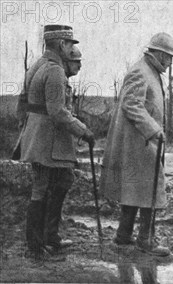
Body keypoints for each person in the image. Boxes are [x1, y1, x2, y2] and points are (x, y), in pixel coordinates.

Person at [13, 25, 94, 260]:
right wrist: (84, 131)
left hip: (42, 140)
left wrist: (26, 131)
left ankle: (50, 238)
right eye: (70, 44)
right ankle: (36, 249)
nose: (72, 49)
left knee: (60, 182)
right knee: (41, 191)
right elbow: (58, 111)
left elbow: (21, 104)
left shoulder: (37, 66)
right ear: (61, 44)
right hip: (48, 143)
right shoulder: (56, 71)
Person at [99, 32, 173, 257]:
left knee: (138, 190)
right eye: (169, 57)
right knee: (147, 190)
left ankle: (124, 236)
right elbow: (131, 105)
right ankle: (145, 240)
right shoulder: (140, 71)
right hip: (140, 143)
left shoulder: (149, 71)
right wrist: (153, 130)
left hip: (143, 143)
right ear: (159, 54)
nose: (170, 62)